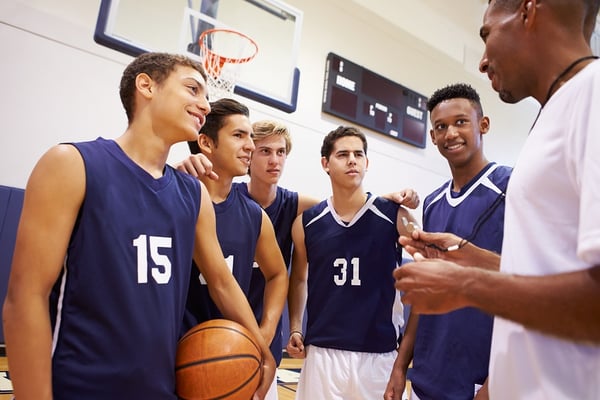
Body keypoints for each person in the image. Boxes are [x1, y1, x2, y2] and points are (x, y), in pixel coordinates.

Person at [2, 52, 275, 400]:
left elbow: (221, 281)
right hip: (79, 387)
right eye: (193, 89)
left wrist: (260, 346)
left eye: (206, 97)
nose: (204, 106)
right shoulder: (71, 164)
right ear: (146, 85)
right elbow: (25, 298)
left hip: (159, 390)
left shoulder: (193, 194)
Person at [394, 1, 600, 399]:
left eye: (487, 35)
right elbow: (549, 276)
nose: (484, 61)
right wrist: (475, 260)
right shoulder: (556, 113)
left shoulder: (593, 94)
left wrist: (468, 284)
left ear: (528, 11)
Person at [177, 119, 420, 399]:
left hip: (261, 336)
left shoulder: (299, 208)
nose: (275, 160)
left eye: (281, 153)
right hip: (201, 330)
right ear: (249, 153)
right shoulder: (218, 199)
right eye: (265, 151)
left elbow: (344, 207)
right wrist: (184, 171)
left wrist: (383, 203)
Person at [385, 83, 511, 400]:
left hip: (481, 379)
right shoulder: (433, 201)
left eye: (460, 122)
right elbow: (425, 295)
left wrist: (499, 380)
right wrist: (401, 366)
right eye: (441, 127)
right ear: (432, 137)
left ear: (483, 125)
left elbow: (531, 284)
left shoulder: (511, 186)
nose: (450, 133)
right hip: (428, 375)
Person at [286, 125, 418, 400]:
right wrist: (296, 326)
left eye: (358, 154)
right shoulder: (306, 223)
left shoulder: (394, 215)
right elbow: (299, 278)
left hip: (378, 354)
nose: (352, 160)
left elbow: (429, 267)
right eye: (342, 154)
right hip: (322, 353)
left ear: (367, 163)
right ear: (325, 163)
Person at [180, 99, 288, 399]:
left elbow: (278, 274)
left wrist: (263, 332)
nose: (250, 146)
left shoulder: (254, 216)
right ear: (205, 142)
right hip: (177, 353)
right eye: (239, 136)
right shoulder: (174, 196)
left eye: (250, 137)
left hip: (235, 353)